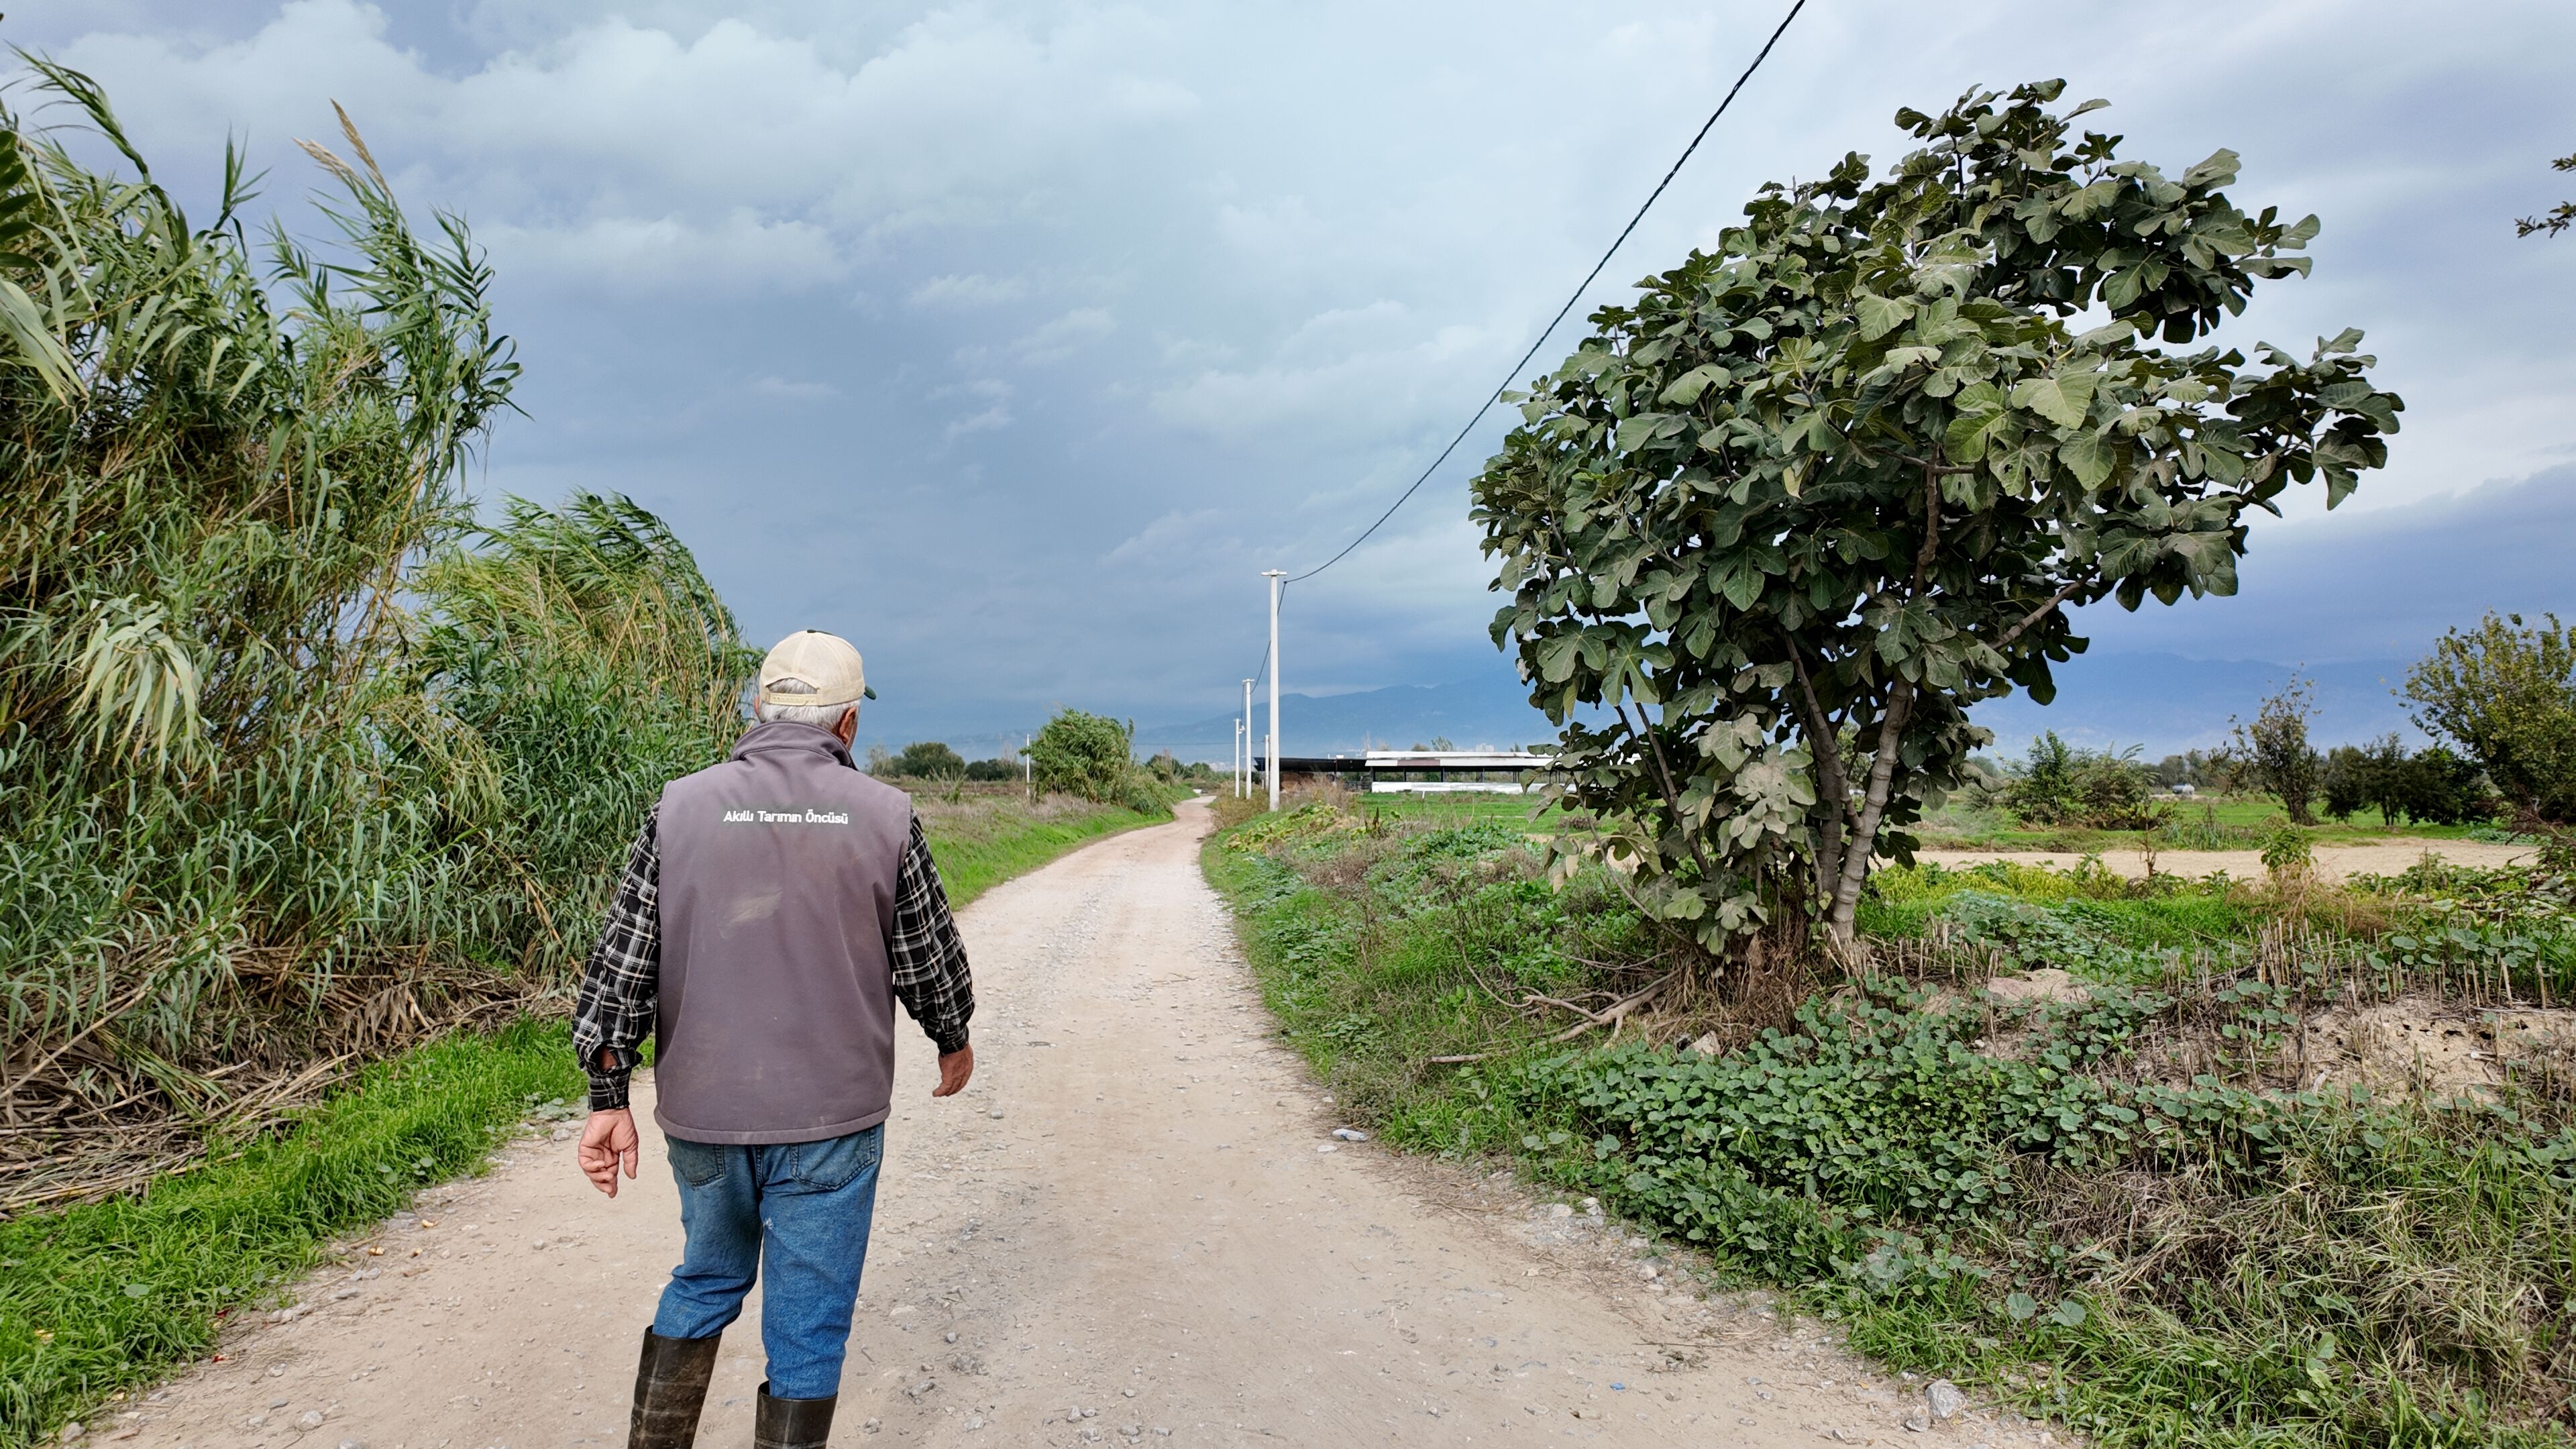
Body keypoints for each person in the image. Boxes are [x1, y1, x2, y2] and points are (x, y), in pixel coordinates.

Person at [571, 630, 976, 1449]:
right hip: (832, 1119)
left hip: (706, 1114)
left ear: (758, 710)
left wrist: (607, 1098)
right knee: (809, 1326)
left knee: (707, 1276)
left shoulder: (679, 805)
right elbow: (927, 956)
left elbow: (621, 962)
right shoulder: (884, 815)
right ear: (848, 724)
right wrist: (951, 1035)